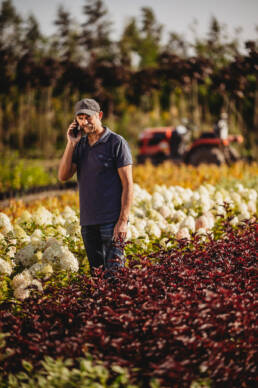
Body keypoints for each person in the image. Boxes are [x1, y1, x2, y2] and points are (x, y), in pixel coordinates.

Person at [58, 98, 133, 275]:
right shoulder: (80, 145)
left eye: (88, 117)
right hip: (88, 224)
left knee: (114, 278)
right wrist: (71, 143)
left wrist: (122, 221)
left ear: (99, 115)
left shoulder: (116, 143)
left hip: (111, 223)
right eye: (80, 118)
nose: (84, 122)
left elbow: (128, 185)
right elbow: (63, 175)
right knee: (97, 277)